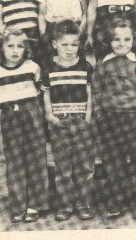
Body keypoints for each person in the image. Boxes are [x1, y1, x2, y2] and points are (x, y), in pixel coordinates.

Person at [0, 27, 49, 223]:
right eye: (10, 46)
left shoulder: (32, 67)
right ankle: (18, 206)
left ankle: (36, 204)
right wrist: (6, 104)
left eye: (20, 46)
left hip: (33, 113)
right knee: (15, 161)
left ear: (26, 49)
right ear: (1, 48)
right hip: (10, 117)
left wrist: (33, 109)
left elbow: (42, 92)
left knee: (37, 159)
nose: (15, 50)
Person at [91, 18, 136, 219]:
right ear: (108, 41)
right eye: (116, 39)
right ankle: (116, 199)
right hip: (110, 118)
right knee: (114, 162)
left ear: (133, 40)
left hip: (134, 118)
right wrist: (99, 114)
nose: (121, 43)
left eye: (126, 39)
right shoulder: (103, 64)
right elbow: (96, 90)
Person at [41, 20, 95, 221]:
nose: (70, 49)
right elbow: (46, 95)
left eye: (74, 44)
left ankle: (84, 204)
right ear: (55, 44)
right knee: (63, 168)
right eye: (64, 44)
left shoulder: (85, 66)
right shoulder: (49, 68)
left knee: (85, 166)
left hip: (81, 121)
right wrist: (50, 116)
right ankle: (65, 205)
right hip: (60, 122)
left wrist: (88, 116)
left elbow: (90, 93)